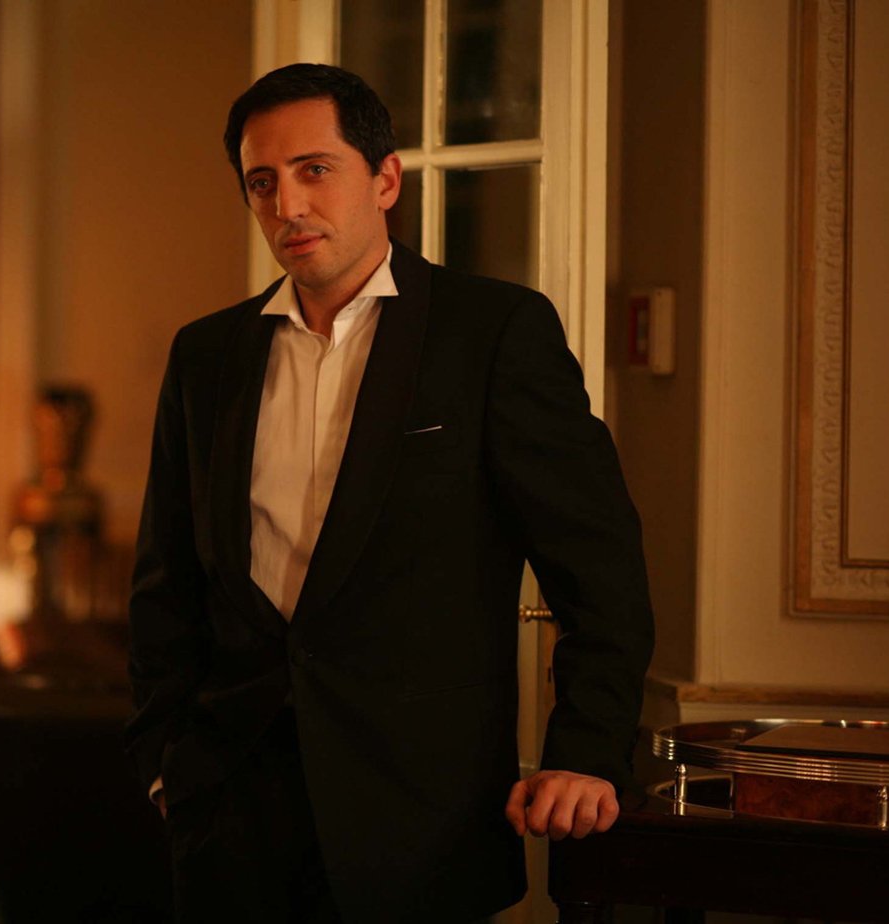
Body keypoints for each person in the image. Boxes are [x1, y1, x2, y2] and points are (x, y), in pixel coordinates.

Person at [125, 63, 653, 923]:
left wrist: (587, 750)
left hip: (420, 819)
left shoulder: (492, 332)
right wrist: (163, 764)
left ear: (384, 179)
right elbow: (167, 580)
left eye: (315, 169)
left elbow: (598, 567)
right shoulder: (206, 355)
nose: (288, 205)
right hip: (230, 813)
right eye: (262, 181)